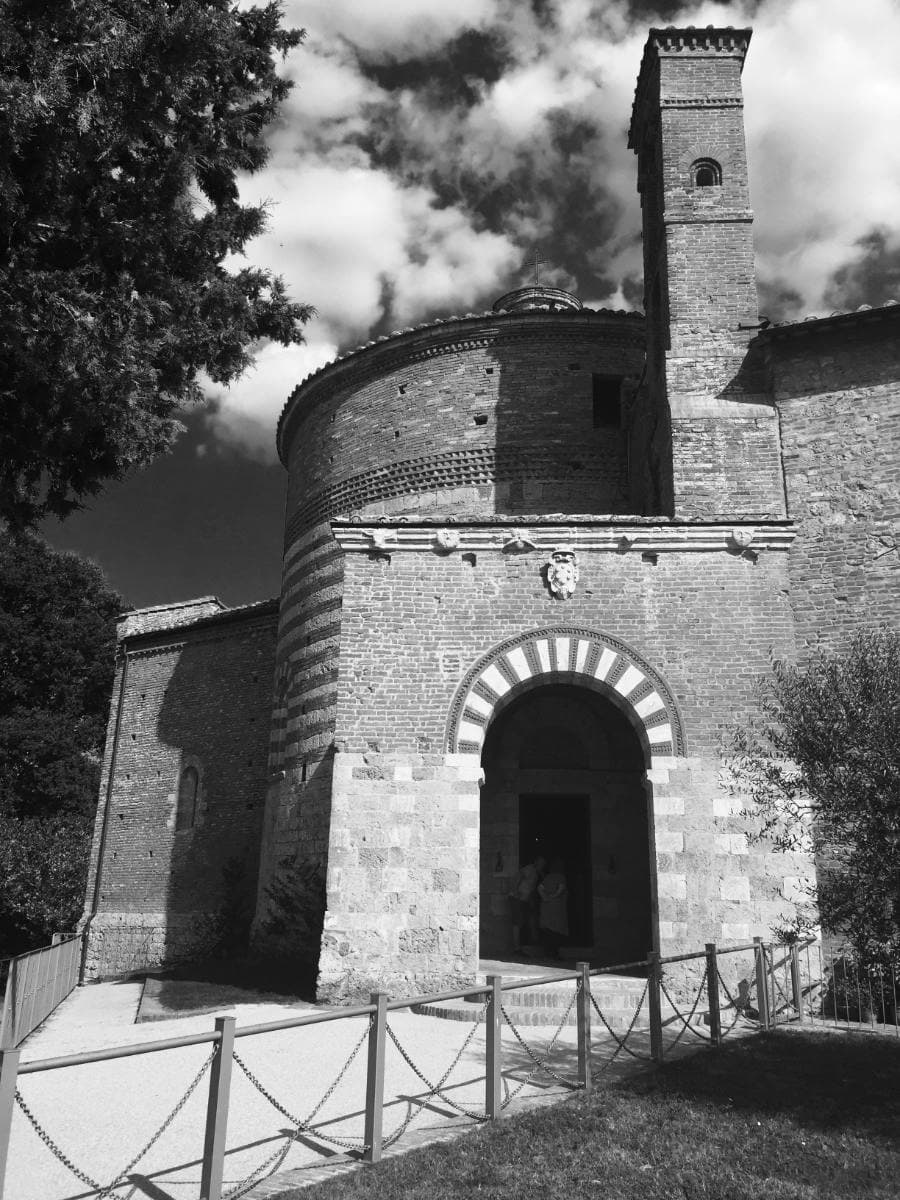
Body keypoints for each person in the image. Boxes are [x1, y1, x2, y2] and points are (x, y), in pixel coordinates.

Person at [511, 855, 545, 951]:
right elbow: (518, 877)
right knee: (517, 922)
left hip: (525, 900)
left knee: (524, 920)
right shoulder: (529, 869)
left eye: (543, 864)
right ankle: (516, 947)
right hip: (517, 898)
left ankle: (524, 944)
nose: (542, 865)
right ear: (536, 862)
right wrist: (515, 891)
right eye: (541, 863)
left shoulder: (538, 873)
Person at [538, 856, 568, 959]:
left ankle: (548, 953)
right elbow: (561, 888)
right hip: (556, 907)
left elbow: (540, 888)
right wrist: (553, 896)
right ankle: (554, 954)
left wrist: (545, 897)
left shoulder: (548, 877)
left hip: (546, 906)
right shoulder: (561, 877)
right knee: (556, 930)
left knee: (548, 930)